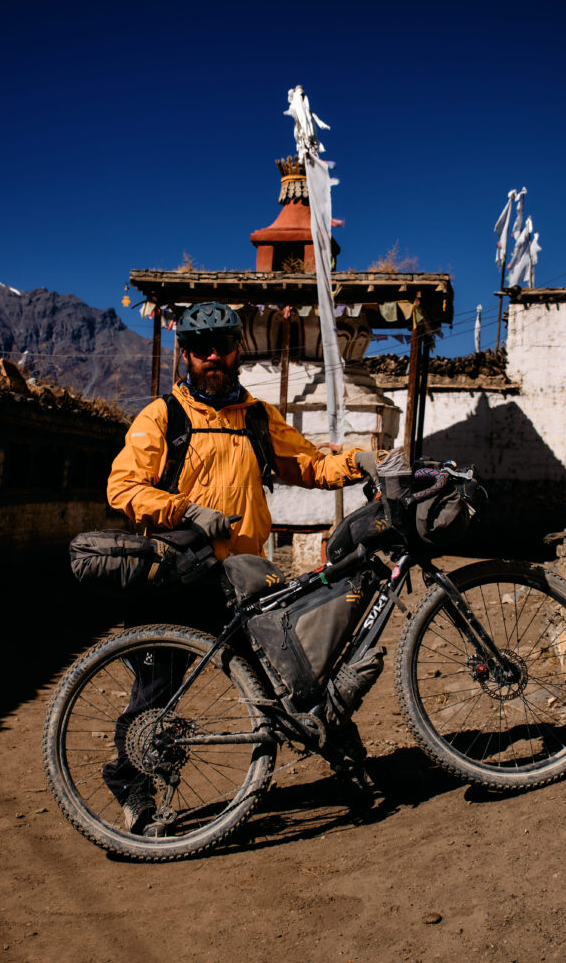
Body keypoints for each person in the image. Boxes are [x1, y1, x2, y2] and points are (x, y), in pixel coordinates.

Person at [105, 301, 380, 833]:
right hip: (176, 578)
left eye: (223, 346)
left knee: (296, 680)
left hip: (245, 581)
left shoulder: (256, 417)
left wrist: (357, 461)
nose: (213, 356)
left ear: (237, 351)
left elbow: (307, 463)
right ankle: (133, 789)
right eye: (201, 348)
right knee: (155, 697)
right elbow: (123, 487)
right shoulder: (163, 417)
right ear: (185, 354)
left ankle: (349, 764)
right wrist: (185, 510)